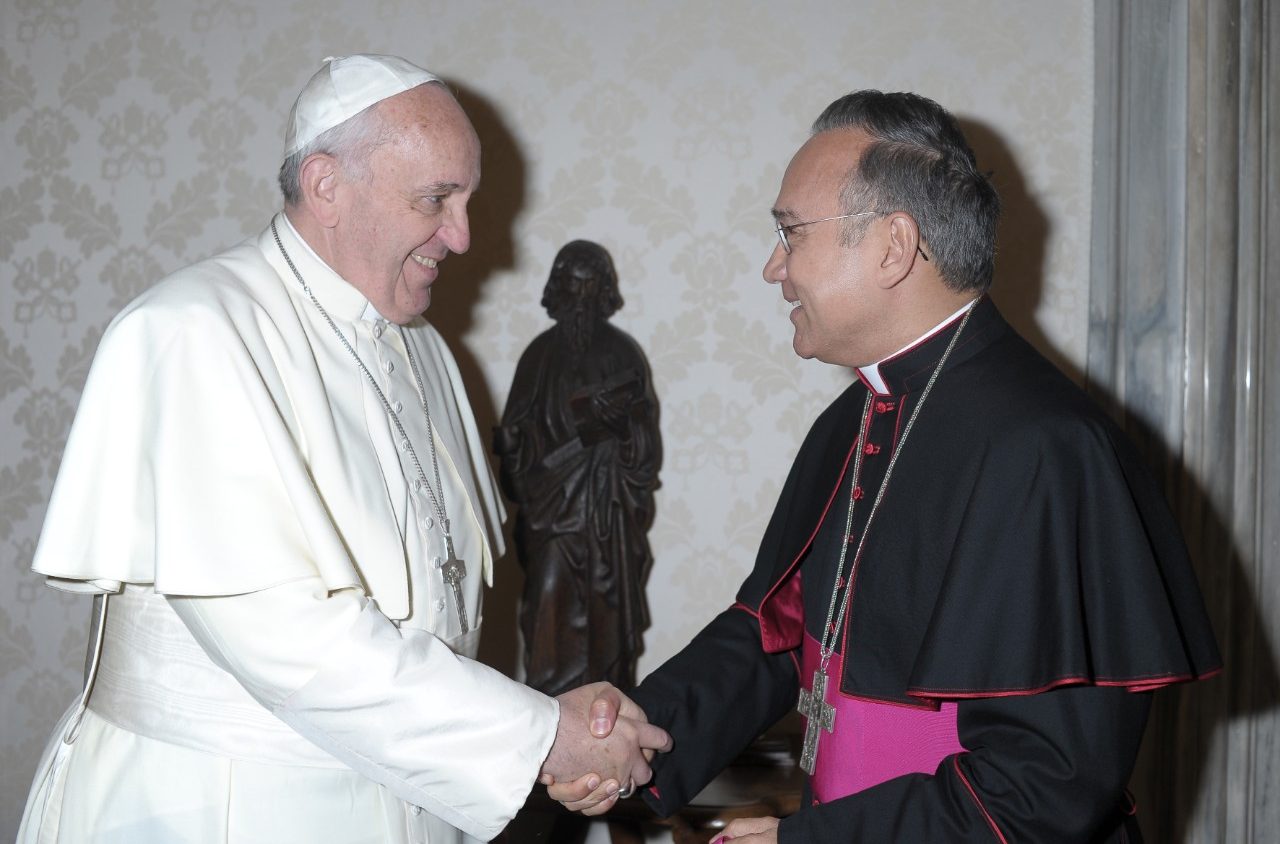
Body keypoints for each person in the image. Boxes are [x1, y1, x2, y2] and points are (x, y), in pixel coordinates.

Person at [17, 54, 667, 844]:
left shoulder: (424, 348)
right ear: (326, 185)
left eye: (466, 201)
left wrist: (542, 734)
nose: (462, 236)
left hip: (408, 803)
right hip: (218, 806)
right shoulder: (194, 331)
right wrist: (539, 736)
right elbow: (286, 638)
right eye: (436, 199)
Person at [552, 90, 1222, 841]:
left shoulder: (1046, 450)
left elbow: (1043, 788)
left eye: (790, 232)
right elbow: (778, 634)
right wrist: (638, 732)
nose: (774, 267)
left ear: (894, 246)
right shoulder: (856, 417)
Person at [495, 239, 661, 697]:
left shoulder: (623, 353)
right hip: (552, 513)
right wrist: (514, 451)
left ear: (603, 291)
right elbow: (516, 431)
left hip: (607, 513)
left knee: (606, 618)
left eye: (591, 288)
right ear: (559, 289)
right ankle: (550, 713)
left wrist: (622, 429)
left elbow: (644, 446)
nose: (581, 300)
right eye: (573, 286)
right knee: (547, 602)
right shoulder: (538, 356)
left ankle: (605, 705)